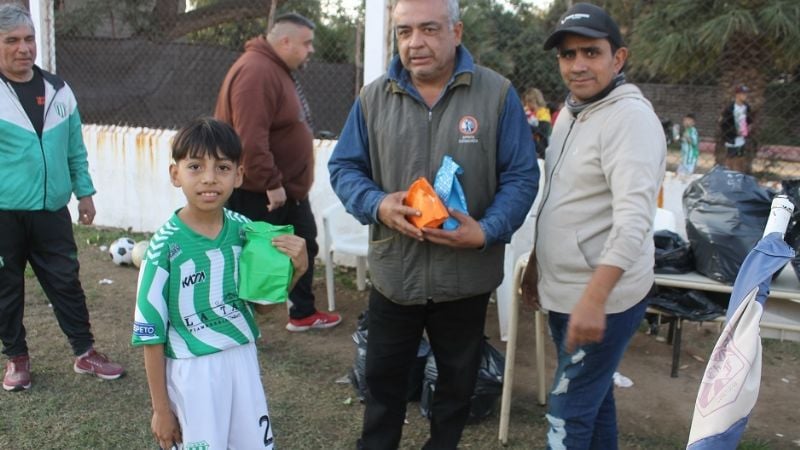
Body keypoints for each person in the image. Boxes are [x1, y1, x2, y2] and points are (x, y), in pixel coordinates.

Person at [329, 0, 539, 448]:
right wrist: (378, 204)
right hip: (394, 275)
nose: (415, 42)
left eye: (428, 29)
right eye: (404, 32)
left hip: (464, 279)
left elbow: (522, 176)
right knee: (383, 386)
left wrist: (486, 230)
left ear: (456, 32)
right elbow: (344, 167)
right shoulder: (374, 97)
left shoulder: (496, 95)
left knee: (455, 389)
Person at [520, 3, 666, 449]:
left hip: (600, 299)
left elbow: (634, 219)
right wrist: (536, 267)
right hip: (567, 291)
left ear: (617, 58)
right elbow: (563, 199)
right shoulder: (573, 112)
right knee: (594, 403)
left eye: (591, 52)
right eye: (568, 55)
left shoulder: (629, 120)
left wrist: (594, 298)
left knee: (566, 417)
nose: (578, 65)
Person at [132, 117, 308, 450]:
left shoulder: (247, 233)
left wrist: (296, 271)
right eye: (195, 167)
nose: (209, 179)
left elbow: (265, 309)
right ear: (175, 174)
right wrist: (161, 409)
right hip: (192, 374)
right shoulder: (163, 248)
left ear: (239, 175)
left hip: (242, 361)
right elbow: (150, 335)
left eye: (223, 167)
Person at [0, 4, 124, 392]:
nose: (24, 48)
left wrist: (84, 192)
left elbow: (75, 149)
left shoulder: (59, 90)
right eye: (12, 40)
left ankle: (85, 352)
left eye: (29, 39)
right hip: (4, 214)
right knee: (6, 288)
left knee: (66, 281)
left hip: (53, 210)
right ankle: (16, 358)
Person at [215, 12, 341, 332]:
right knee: (256, 258)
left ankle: (302, 312)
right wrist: (271, 182)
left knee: (304, 244)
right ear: (285, 41)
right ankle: (237, 324)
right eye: (307, 43)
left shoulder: (274, 68)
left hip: (285, 188)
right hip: (261, 191)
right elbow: (249, 136)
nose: (311, 50)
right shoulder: (256, 71)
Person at [720, 84, 753, 173]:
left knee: (740, 158)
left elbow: (749, 120)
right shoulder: (730, 108)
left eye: (746, 94)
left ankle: (738, 175)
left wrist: (748, 128)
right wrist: (734, 132)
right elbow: (724, 124)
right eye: (743, 93)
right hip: (732, 138)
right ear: (737, 94)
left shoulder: (746, 107)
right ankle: (728, 174)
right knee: (730, 158)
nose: (745, 96)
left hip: (742, 137)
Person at [523, 87, 552, 158]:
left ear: (537, 100)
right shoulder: (527, 112)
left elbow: (542, 131)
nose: (527, 104)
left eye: (530, 101)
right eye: (526, 102)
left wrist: (527, 125)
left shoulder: (543, 113)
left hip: (540, 145)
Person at [677, 113, 700, 180]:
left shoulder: (693, 130)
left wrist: (688, 137)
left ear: (693, 123)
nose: (686, 122)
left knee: (687, 176)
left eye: (689, 121)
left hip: (690, 159)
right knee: (679, 175)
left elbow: (694, 143)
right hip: (684, 158)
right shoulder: (686, 131)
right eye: (685, 120)